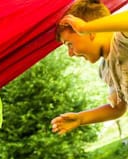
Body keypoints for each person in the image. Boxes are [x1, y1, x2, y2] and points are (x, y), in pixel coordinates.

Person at [51, 0, 128, 135]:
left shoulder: (121, 42)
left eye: (69, 44)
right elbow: (117, 109)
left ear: (91, 32)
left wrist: (85, 27)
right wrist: (81, 118)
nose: (70, 54)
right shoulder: (105, 70)